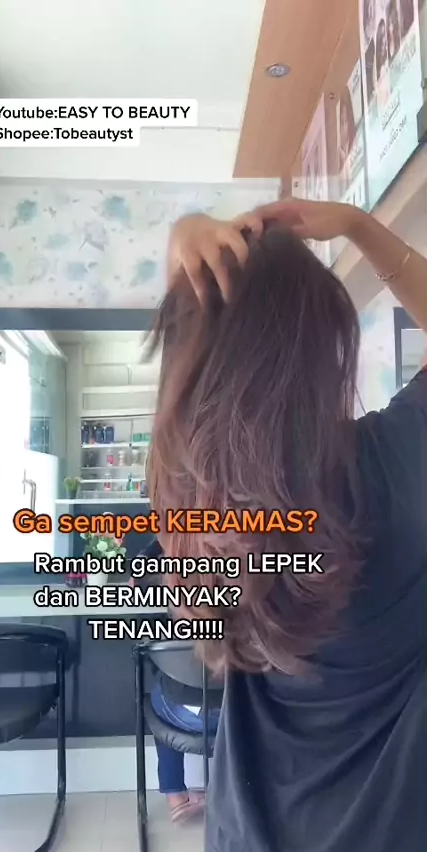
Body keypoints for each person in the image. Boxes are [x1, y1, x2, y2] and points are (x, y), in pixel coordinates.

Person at [146, 199, 427, 852]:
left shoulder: (184, 496)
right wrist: (361, 227)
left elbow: (188, 369)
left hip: (248, 828)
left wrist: (185, 246)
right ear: (323, 347)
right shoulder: (395, 463)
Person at [133, 537, 221, 823]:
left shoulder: (162, 581)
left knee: (163, 690)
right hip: (245, 716)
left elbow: (138, 576)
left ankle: (175, 794)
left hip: (188, 715)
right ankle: (237, 793)